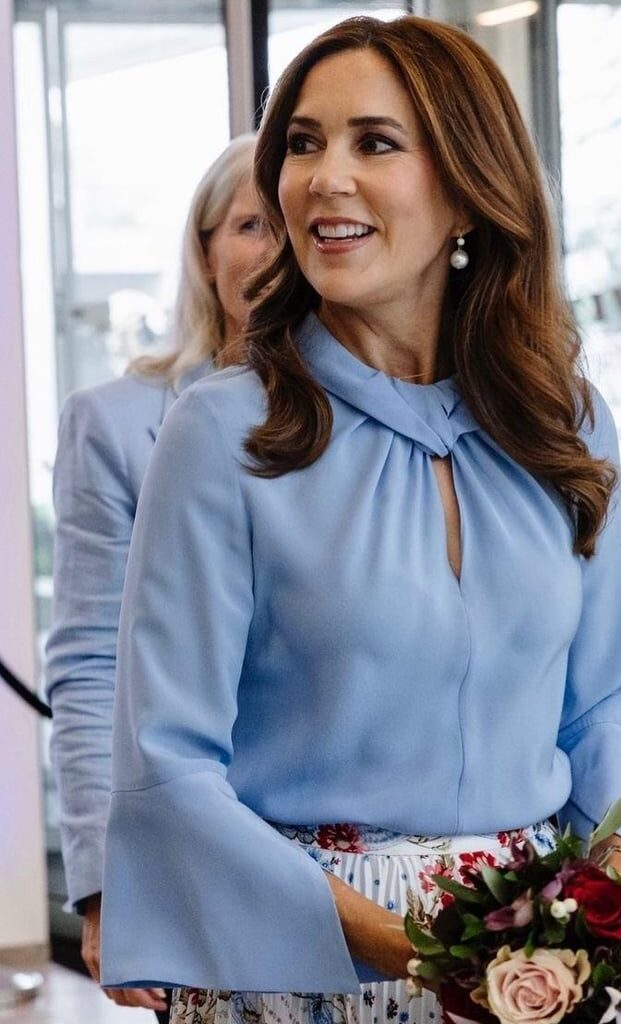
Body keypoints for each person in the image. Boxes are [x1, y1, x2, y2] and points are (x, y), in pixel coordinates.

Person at [99, 15, 621, 1023]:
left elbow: (602, 705)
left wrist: (606, 883)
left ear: (469, 191)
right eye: (302, 144)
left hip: (538, 958)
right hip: (302, 954)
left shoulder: (563, 420)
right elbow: (168, 764)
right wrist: (405, 944)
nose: (323, 178)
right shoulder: (222, 429)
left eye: (374, 142)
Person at [44, 133, 271, 1018]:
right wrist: (106, 883)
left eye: (293, 225)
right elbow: (93, 663)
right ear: (206, 251)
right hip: (194, 856)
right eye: (251, 224)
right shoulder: (117, 423)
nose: (276, 251)